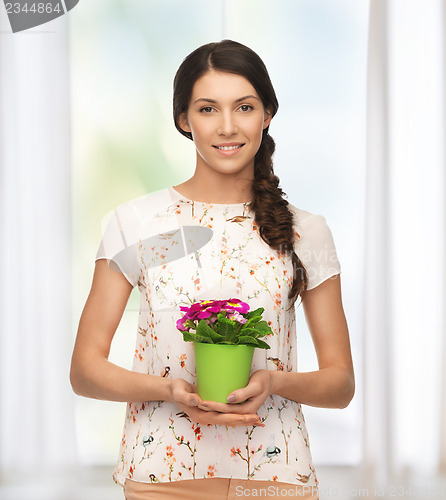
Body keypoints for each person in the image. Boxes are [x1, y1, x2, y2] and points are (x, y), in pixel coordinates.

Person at [70, 39, 355, 500]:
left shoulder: (307, 231)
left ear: (267, 114)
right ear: (184, 120)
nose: (227, 127)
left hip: (275, 479)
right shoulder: (137, 222)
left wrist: (273, 381)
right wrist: (170, 390)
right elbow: (85, 370)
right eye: (207, 109)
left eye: (243, 107)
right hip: (160, 478)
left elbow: (340, 384)